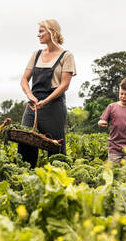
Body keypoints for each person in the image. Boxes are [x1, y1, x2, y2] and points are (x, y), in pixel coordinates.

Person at [18, 19, 77, 168]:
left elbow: (64, 85)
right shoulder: (36, 54)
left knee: (55, 145)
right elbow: (24, 79)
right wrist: (30, 96)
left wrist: (46, 100)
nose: (38, 35)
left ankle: (58, 179)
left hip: (54, 105)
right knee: (25, 138)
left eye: (41, 31)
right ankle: (26, 174)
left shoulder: (66, 56)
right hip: (33, 104)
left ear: (52, 31)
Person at [98, 77, 126, 163]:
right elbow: (102, 120)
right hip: (114, 148)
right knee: (114, 172)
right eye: (121, 93)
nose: (123, 96)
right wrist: (100, 122)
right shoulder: (112, 107)